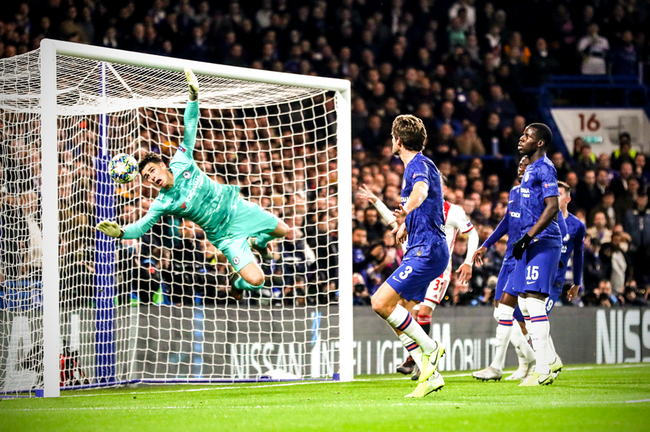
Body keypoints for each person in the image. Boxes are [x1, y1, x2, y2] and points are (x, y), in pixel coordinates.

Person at [96, 68, 289, 300]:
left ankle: (258, 242)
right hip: (224, 235)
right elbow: (141, 226)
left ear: (162, 165)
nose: (151, 177)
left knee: (283, 230)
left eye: (152, 171)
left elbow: (190, 126)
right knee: (257, 282)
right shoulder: (162, 203)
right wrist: (121, 232)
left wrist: (193, 97)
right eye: (146, 177)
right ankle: (236, 281)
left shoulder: (181, 160)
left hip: (238, 209)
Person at [370, 114, 449, 398]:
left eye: (392, 137)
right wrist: (406, 225)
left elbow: (421, 191)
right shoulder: (417, 165)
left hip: (427, 250)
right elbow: (429, 203)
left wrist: (406, 210)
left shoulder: (418, 164)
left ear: (398, 141)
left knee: (379, 302)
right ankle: (430, 375)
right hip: (421, 247)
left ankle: (430, 348)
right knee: (394, 308)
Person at [472, 156, 536, 382]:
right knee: (500, 312)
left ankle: (498, 366)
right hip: (509, 259)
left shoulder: (540, 196)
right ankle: (532, 359)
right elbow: (507, 222)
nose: (521, 169)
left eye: (526, 166)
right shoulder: (515, 193)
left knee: (513, 314)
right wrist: (486, 245)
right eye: (520, 165)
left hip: (525, 259)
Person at [544, 181, 586, 379]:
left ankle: (548, 363)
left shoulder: (577, 225)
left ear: (568, 199)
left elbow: (578, 255)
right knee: (529, 319)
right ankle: (548, 361)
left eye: (559, 193)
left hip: (555, 281)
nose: (555, 196)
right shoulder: (543, 218)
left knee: (538, 318)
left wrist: (577, 283)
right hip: (538, 276)